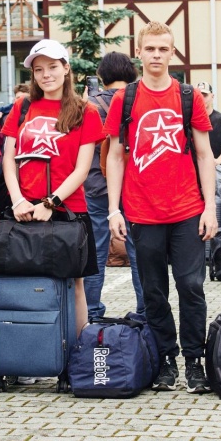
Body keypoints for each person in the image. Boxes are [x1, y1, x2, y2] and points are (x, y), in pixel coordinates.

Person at [104, 21, 218, 394]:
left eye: (163, 49)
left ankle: (195, 361)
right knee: (153, 292)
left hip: (187, 210)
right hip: (141, 212)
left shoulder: (188, 96)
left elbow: (205, 154)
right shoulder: (125, 99)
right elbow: (115, 157)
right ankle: (166, 359)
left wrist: (210, 208)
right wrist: (114, 209)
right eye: (150, 48)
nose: (156, 55)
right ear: (139, 52)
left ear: (172, 53)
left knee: (191, 286)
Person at [1, 39, 103, 341]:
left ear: (66, 68)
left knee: (75, 283)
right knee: (30, 283)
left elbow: (81, 169)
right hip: (24, 211)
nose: (46, 74)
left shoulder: (86, 111)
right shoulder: (22, 107)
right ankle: (36, 351)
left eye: (52, 67)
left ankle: (78, 348)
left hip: (68, 210)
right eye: (39, 69)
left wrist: (50, 203)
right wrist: (18, 200)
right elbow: (8, 159)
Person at [83, 52, 145, 321]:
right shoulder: (139, 100)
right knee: (138, 251)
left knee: (95, 250)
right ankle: (145, 311)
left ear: (102, 75)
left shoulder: (90, 105)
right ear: (132, 73)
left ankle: (91, 312)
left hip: (97, 185)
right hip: (134, 186)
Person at [196, 81, 221, 229]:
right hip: (195, 170)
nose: (202, 98)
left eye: (205, 95)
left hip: (216, 171)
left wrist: (218, 160)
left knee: (220, 205)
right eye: (199, 95)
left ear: (212, 96)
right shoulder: (191, 118)